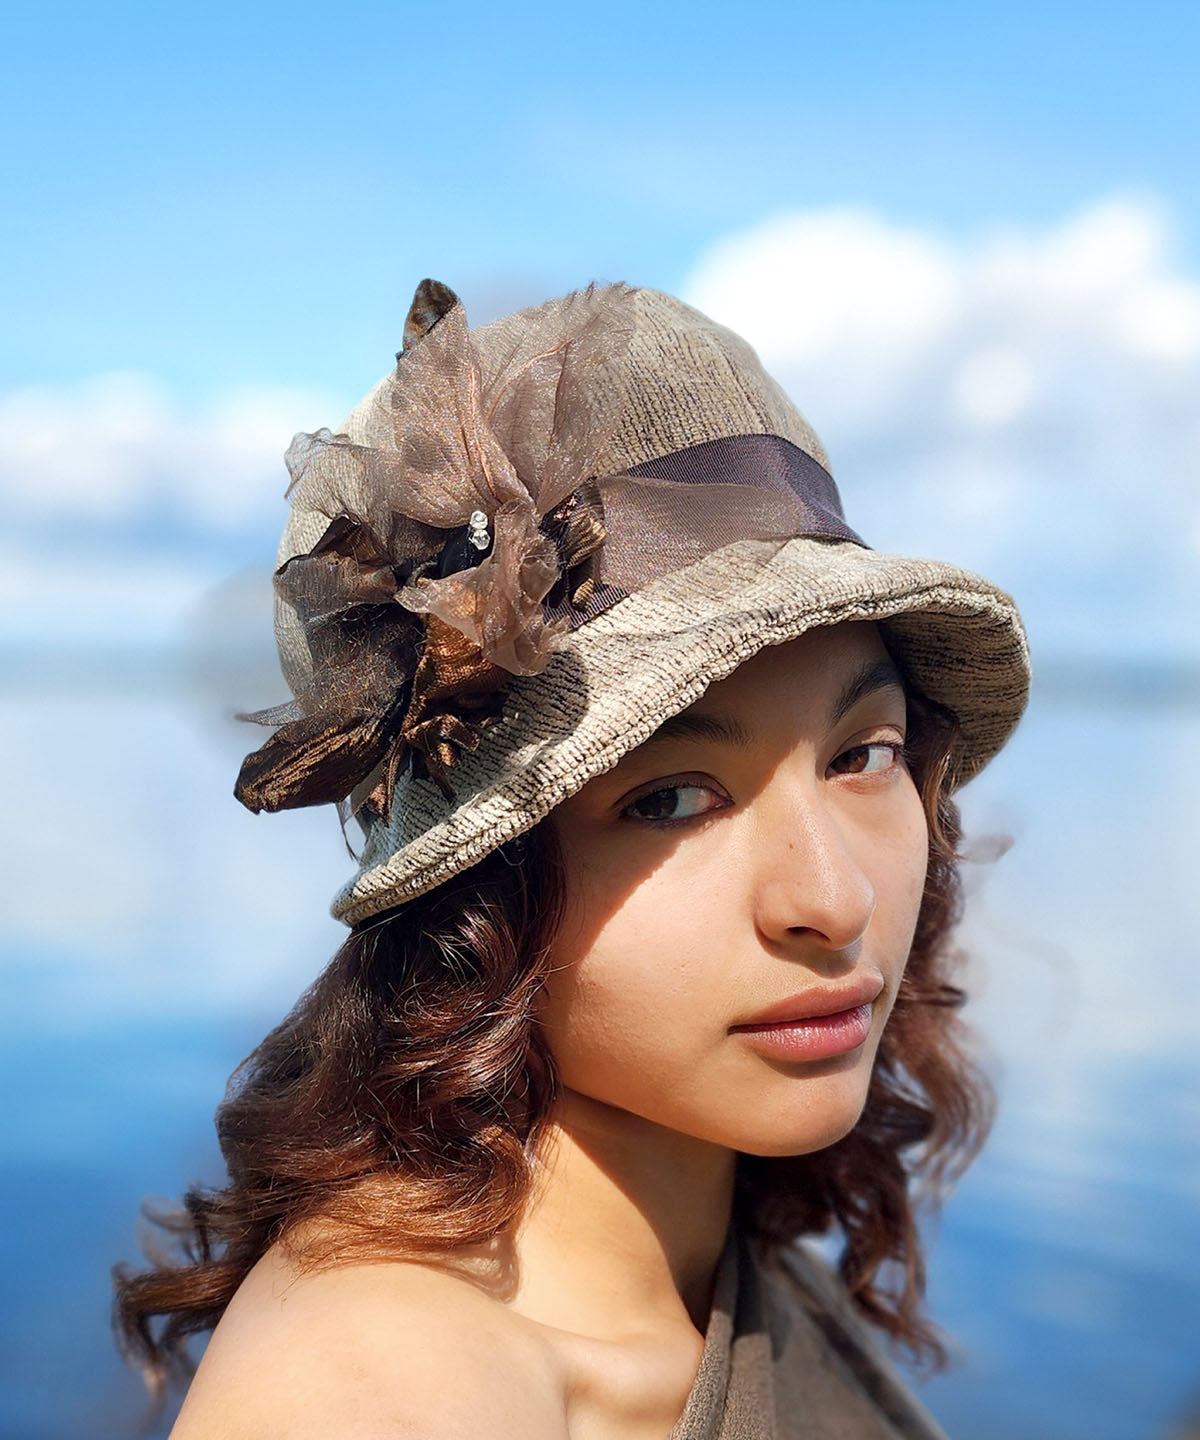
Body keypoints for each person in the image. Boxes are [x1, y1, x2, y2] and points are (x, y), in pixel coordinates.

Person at [113, 278, 1031, 1438]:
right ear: (476, 888)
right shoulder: (382, 1387)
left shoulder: (697, 1267)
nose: (832, 899)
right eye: (673, 797)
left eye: (865, 756)